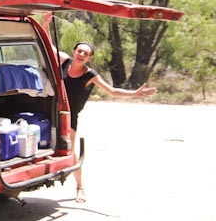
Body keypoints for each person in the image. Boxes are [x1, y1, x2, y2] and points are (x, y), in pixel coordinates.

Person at [58, 42, 157, 203]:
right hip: (52, 110)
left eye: (85, 53)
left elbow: (112, 91)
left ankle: (80, 188)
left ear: (89, 58)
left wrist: (135, 93)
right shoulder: (63, 60)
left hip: (69, 116)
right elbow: (47, 43)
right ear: (74, 51)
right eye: (79, 51)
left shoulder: (90, 75)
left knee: (71, 151)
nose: (81, 54)